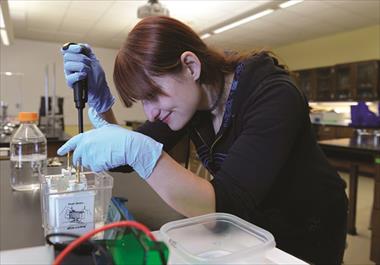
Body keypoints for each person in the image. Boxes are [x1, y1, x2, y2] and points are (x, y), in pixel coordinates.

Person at [59, 16, 348, 264]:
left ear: (191, 66)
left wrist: (140, 151)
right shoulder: (193, 104)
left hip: (308, 226)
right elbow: (127, 160)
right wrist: (101, 105)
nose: (151, 112)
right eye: (142, 101)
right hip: (252, 224)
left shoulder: (273, 95)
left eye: (153, 94)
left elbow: (225, 204)